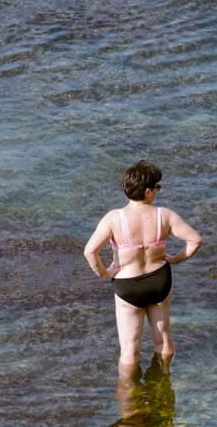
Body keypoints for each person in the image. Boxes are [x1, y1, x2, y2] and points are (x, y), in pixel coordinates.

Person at [83, 160, 203, 375]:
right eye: (157, 188)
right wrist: (176, 259)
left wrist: (105, 273)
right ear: (148, 192)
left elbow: (90, 251)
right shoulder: (164, 215)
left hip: (128, 285)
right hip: (159, 281)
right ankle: (164, 385)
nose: (157, 192)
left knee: (129, 349)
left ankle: (129, 399)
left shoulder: (113, 218)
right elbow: (195, 240)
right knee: (163, 340)